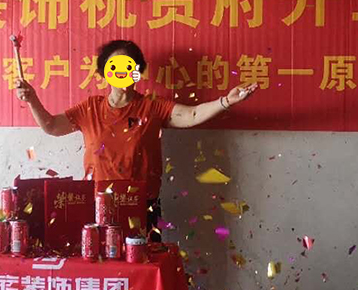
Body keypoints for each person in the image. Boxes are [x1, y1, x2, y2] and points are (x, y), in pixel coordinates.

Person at [15, 39, 256, 240]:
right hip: (97, 207)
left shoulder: (152, 107)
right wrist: (32, 99)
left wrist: (227, 101)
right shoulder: (90, 108)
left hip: (142, 207)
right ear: (103, 73)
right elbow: (51, 126)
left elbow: (192, 115)